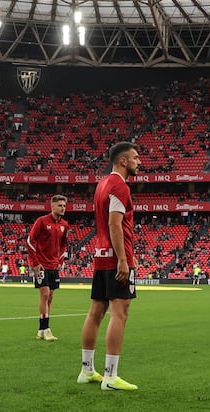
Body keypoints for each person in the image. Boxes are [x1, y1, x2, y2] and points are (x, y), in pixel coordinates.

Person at [78, 142, 141, 392]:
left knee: (95, 312)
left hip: (100, 254)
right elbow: (115, 224)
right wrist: (124, 260)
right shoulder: (119, 186)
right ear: (123, 161)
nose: (139, 162)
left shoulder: (102, 184)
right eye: (135, 158)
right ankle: (111, 377)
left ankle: (86, 370)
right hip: (116, 258)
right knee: (120, 312)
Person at [28, 194, 70, 341]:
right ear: (52, 206)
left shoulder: (64, 225)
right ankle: (46, 328)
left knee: (50, 297)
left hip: (53, 265)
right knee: (44, 294)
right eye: (60, 205)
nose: (63, 208)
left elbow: (64, 244)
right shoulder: (42, 221)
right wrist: (35, 263)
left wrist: (61, 259)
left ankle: (41, 330)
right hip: (41, 264)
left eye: (64, 206)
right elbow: (30, 241)